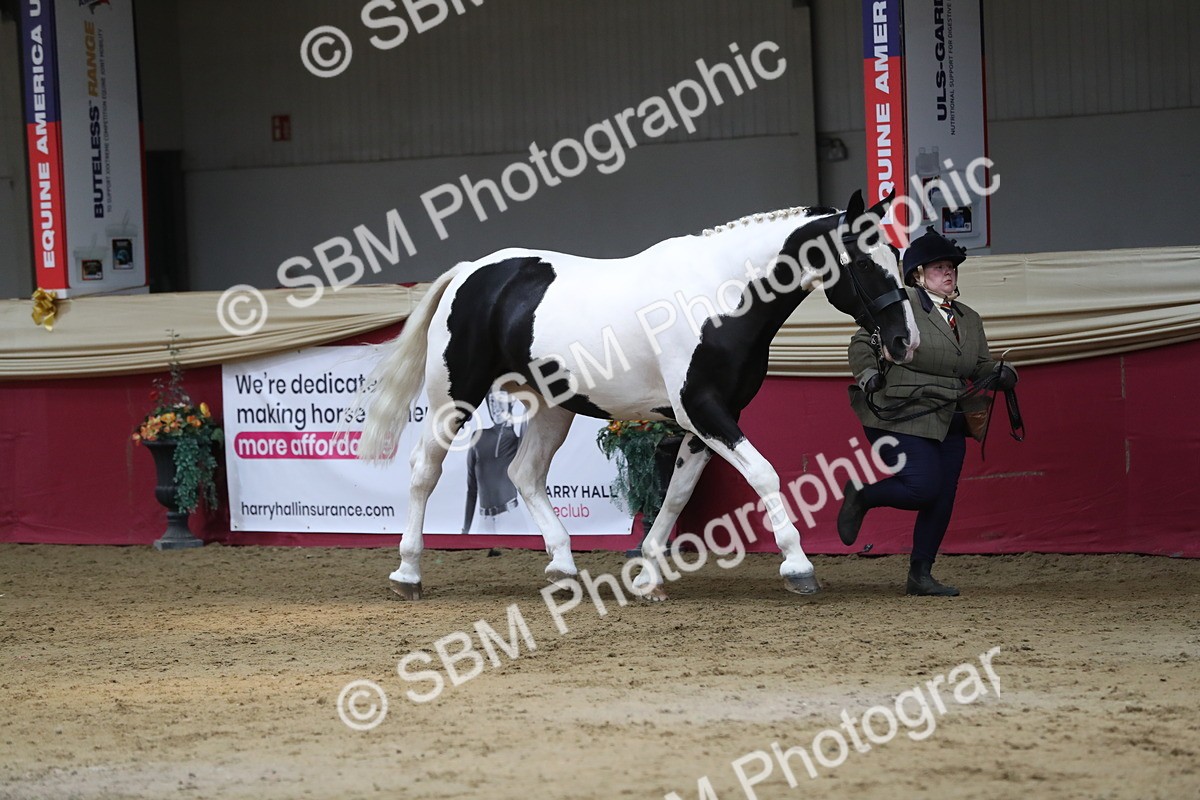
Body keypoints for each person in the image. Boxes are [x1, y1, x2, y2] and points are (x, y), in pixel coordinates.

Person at [838, 226, 1017, 596]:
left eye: (951, 267)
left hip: (951, 415)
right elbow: (861, 344)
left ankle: (921, 574)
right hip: (900, 411)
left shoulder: (969, 318)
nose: (948, 273)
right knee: (923, 488)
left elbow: (978, 365)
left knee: (943, 497)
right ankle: (862, 495)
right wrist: (870, 374)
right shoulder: (899, 305)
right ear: (917, 275)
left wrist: (1000, 373)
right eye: (938, 267)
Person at [462, 389, 523, 534]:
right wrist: (465, 529)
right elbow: (472, 489)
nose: (495, 407)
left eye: (499, 400)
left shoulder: (515, 438)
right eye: (491, 401)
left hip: (510, 517)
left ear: (511, 401)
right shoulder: (478, 436)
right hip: (483, 522)